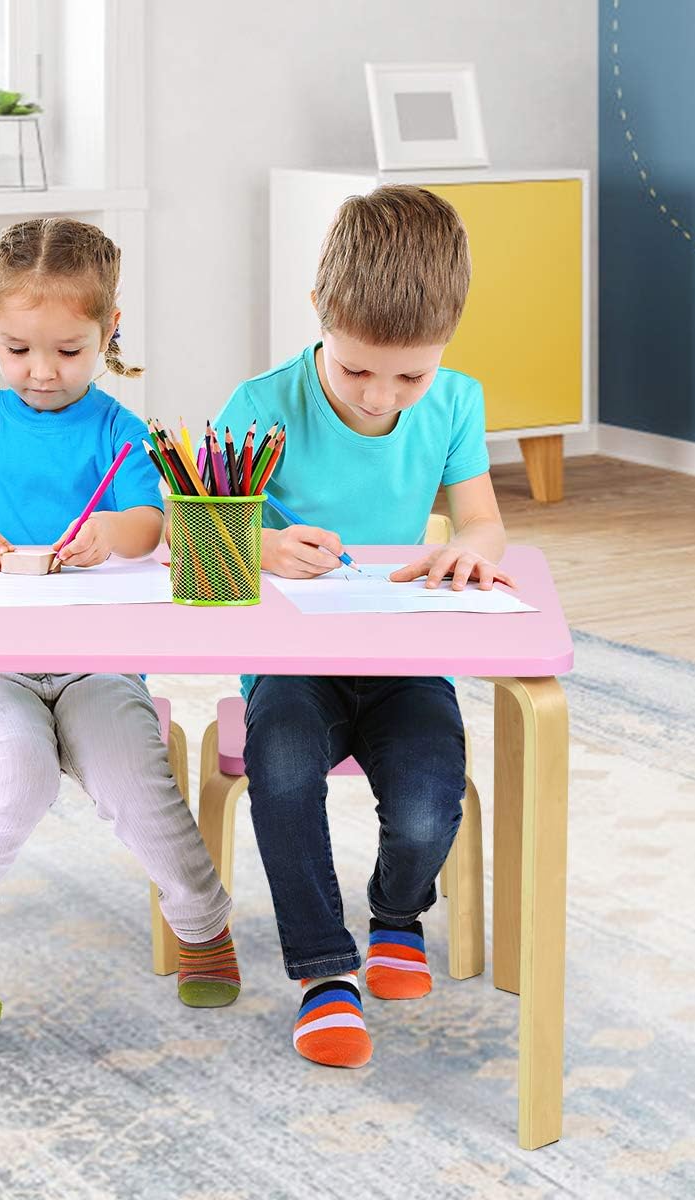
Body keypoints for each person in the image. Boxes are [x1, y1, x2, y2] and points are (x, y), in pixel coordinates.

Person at [0, 217, 239, 1026]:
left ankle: (202, 927)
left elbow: (151, 526)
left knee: (134, 778)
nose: (41, 372)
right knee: (17, 774)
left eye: (68, 350)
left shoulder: (121, 433)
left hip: (99, 661)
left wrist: (109, 536)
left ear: (108, 332)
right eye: (17, 349)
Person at [215, 186, 515, 1067]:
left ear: (447, 343)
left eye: (409, 376)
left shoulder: (455, 404)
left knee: (430, 801)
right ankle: (323, 971)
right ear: (320, 313)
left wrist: (470, 549)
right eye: (357, 371)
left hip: (404, 651)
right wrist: (262, 544)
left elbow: (485, 522)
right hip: (290, 660)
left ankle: (397, 916)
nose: (383, 395)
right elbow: (195, 525)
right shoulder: (261, 404)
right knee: (281, 772)